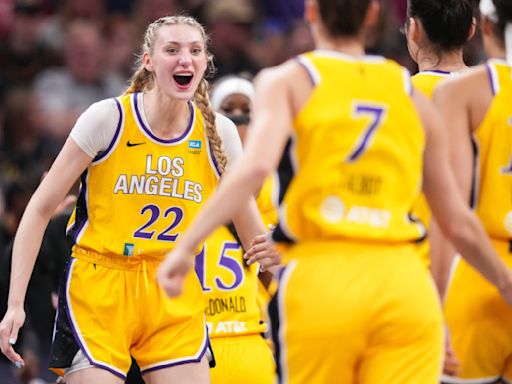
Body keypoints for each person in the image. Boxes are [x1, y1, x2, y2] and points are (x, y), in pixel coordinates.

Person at [157, 1, 512, 383]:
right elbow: (455, 218)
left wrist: (184, 246)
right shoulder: (407, 93)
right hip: (404, 284)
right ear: (373, 16)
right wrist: (504, 281)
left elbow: (254, 168)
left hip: (322, 281)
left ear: (311, 14)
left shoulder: (288, 80)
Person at [0, 15, 271, 384]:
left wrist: (280, 260)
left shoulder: (220, 133)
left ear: (206, 62)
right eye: (172, 50)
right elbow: (39, 208)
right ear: (149, 60)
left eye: (195, 51)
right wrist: (15, 304)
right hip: (102, 284)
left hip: (172, 287)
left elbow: (253, 234)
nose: (185, 59)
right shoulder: (107, 118)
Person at [432, 0, 512, 382]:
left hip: (481, 271)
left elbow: (453, 218)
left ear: (486, 26)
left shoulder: (462, 92)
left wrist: (435, 304)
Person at [196, 75, 276, 384]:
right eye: (230, 110)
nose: (240, 117)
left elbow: (272, 263)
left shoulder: (273, 178)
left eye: (247, 110)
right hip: (195, 342)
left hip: (255, 331)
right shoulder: (191, 178)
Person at [403, 0, 476, 269]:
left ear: (414, 30)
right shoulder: (496, 90)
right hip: (491, 262)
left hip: (422, 263)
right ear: (471, 30)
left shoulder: (402, 96)